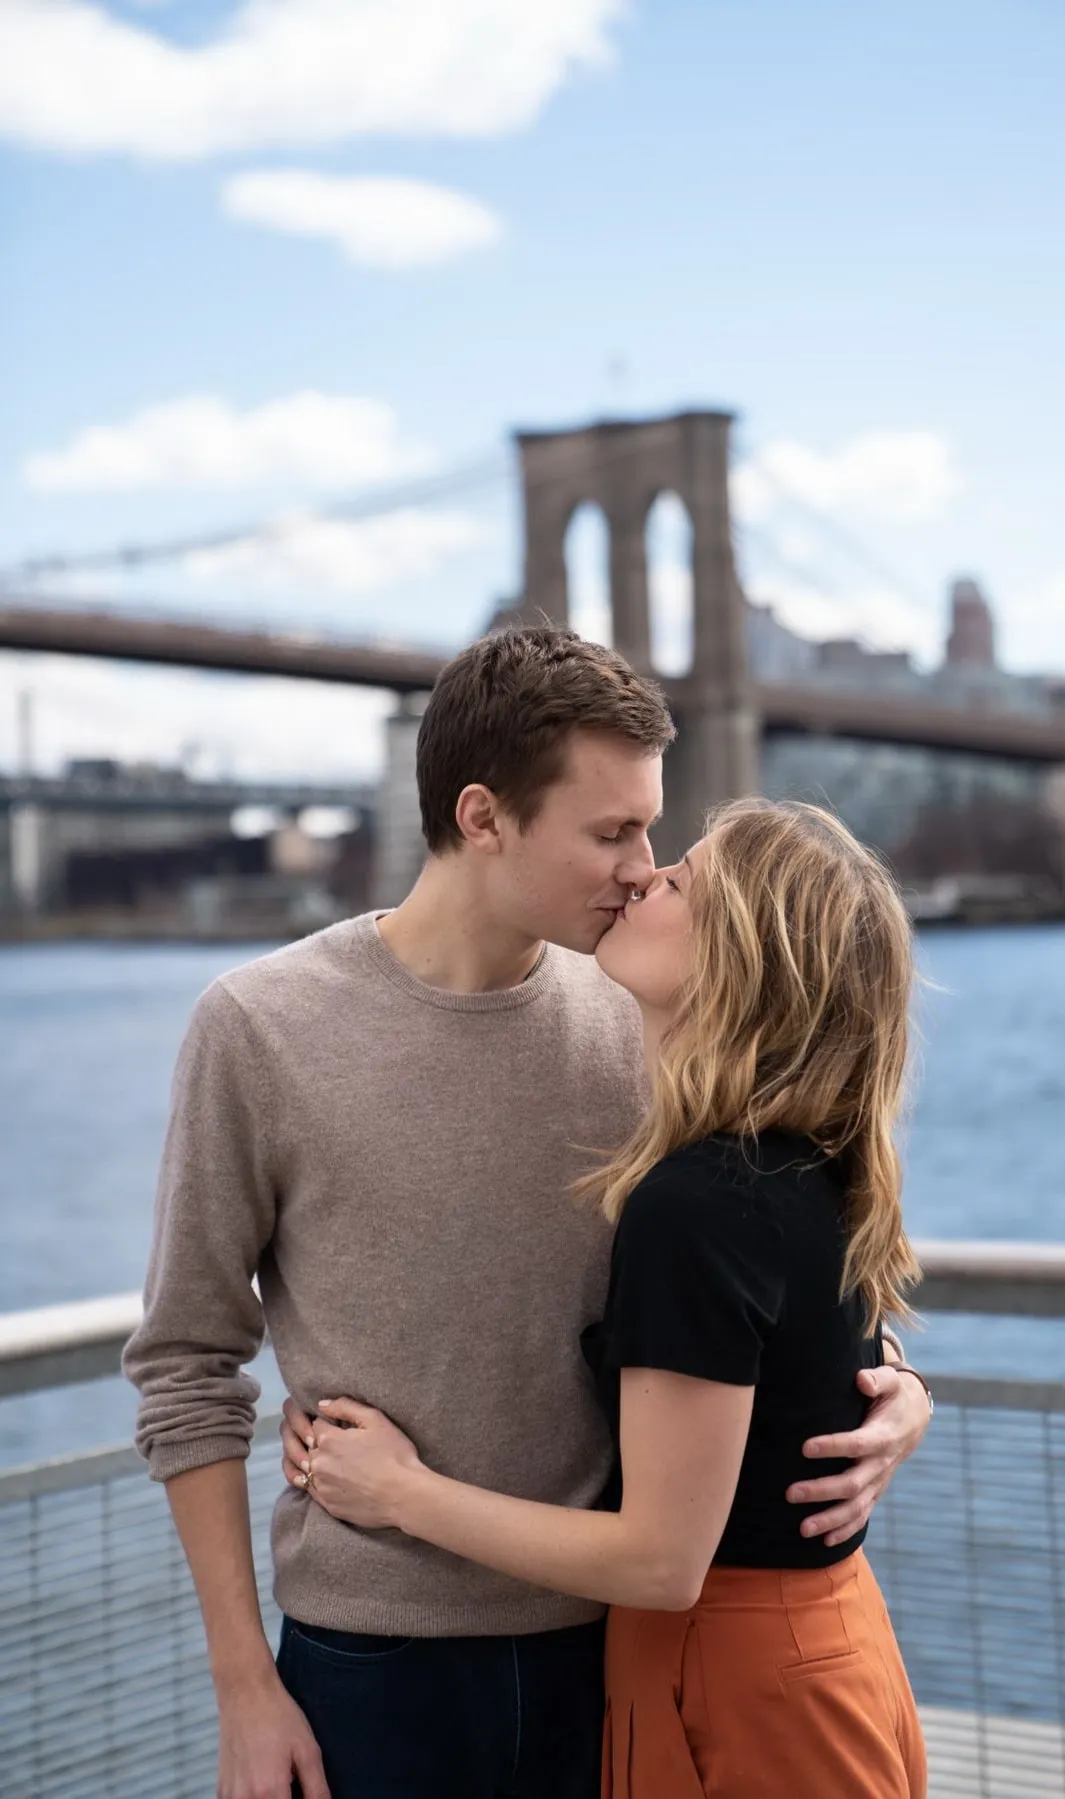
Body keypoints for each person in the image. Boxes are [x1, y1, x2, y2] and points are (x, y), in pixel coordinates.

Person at [123, 629, 932, 1799]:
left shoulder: (649, 1013)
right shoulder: (258, 1025)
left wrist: (893, 1390)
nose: (643, 866)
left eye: (653, 829)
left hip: (614, 1648)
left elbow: (781, 1255)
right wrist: (245, 1687)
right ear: (484, 815)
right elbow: (187, 1366)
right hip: (369, 1661)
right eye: (612, 832)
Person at [289, 799, 927, 1798]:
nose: (642, 877)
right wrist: (903, 1390)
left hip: (739, 1684)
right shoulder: (799, 1159)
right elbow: (809, 1360)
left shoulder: (702, 1200)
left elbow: (663, 1560)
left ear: (742, 958)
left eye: (679, 880)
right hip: (805, 1657)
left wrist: (397, 1490)